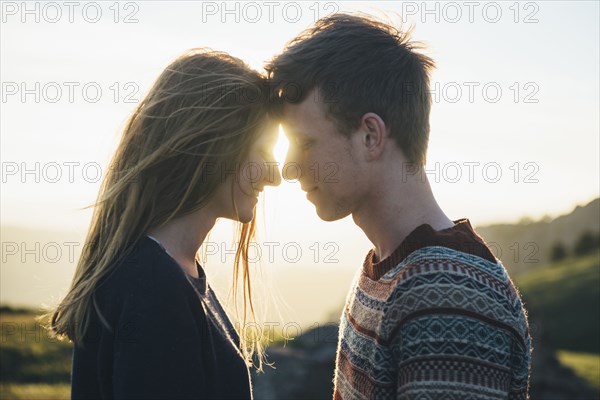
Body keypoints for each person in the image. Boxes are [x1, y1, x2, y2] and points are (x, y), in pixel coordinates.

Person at [266, 14, 531, 399]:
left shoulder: (446, 296)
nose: (289, 168)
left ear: (370, 136)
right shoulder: (389, 268)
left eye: (304, 144)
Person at [48, 49, 281, 399]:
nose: (275, 176)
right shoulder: (152, 290)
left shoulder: (170, 274)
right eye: (263, 152)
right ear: (214, 146)